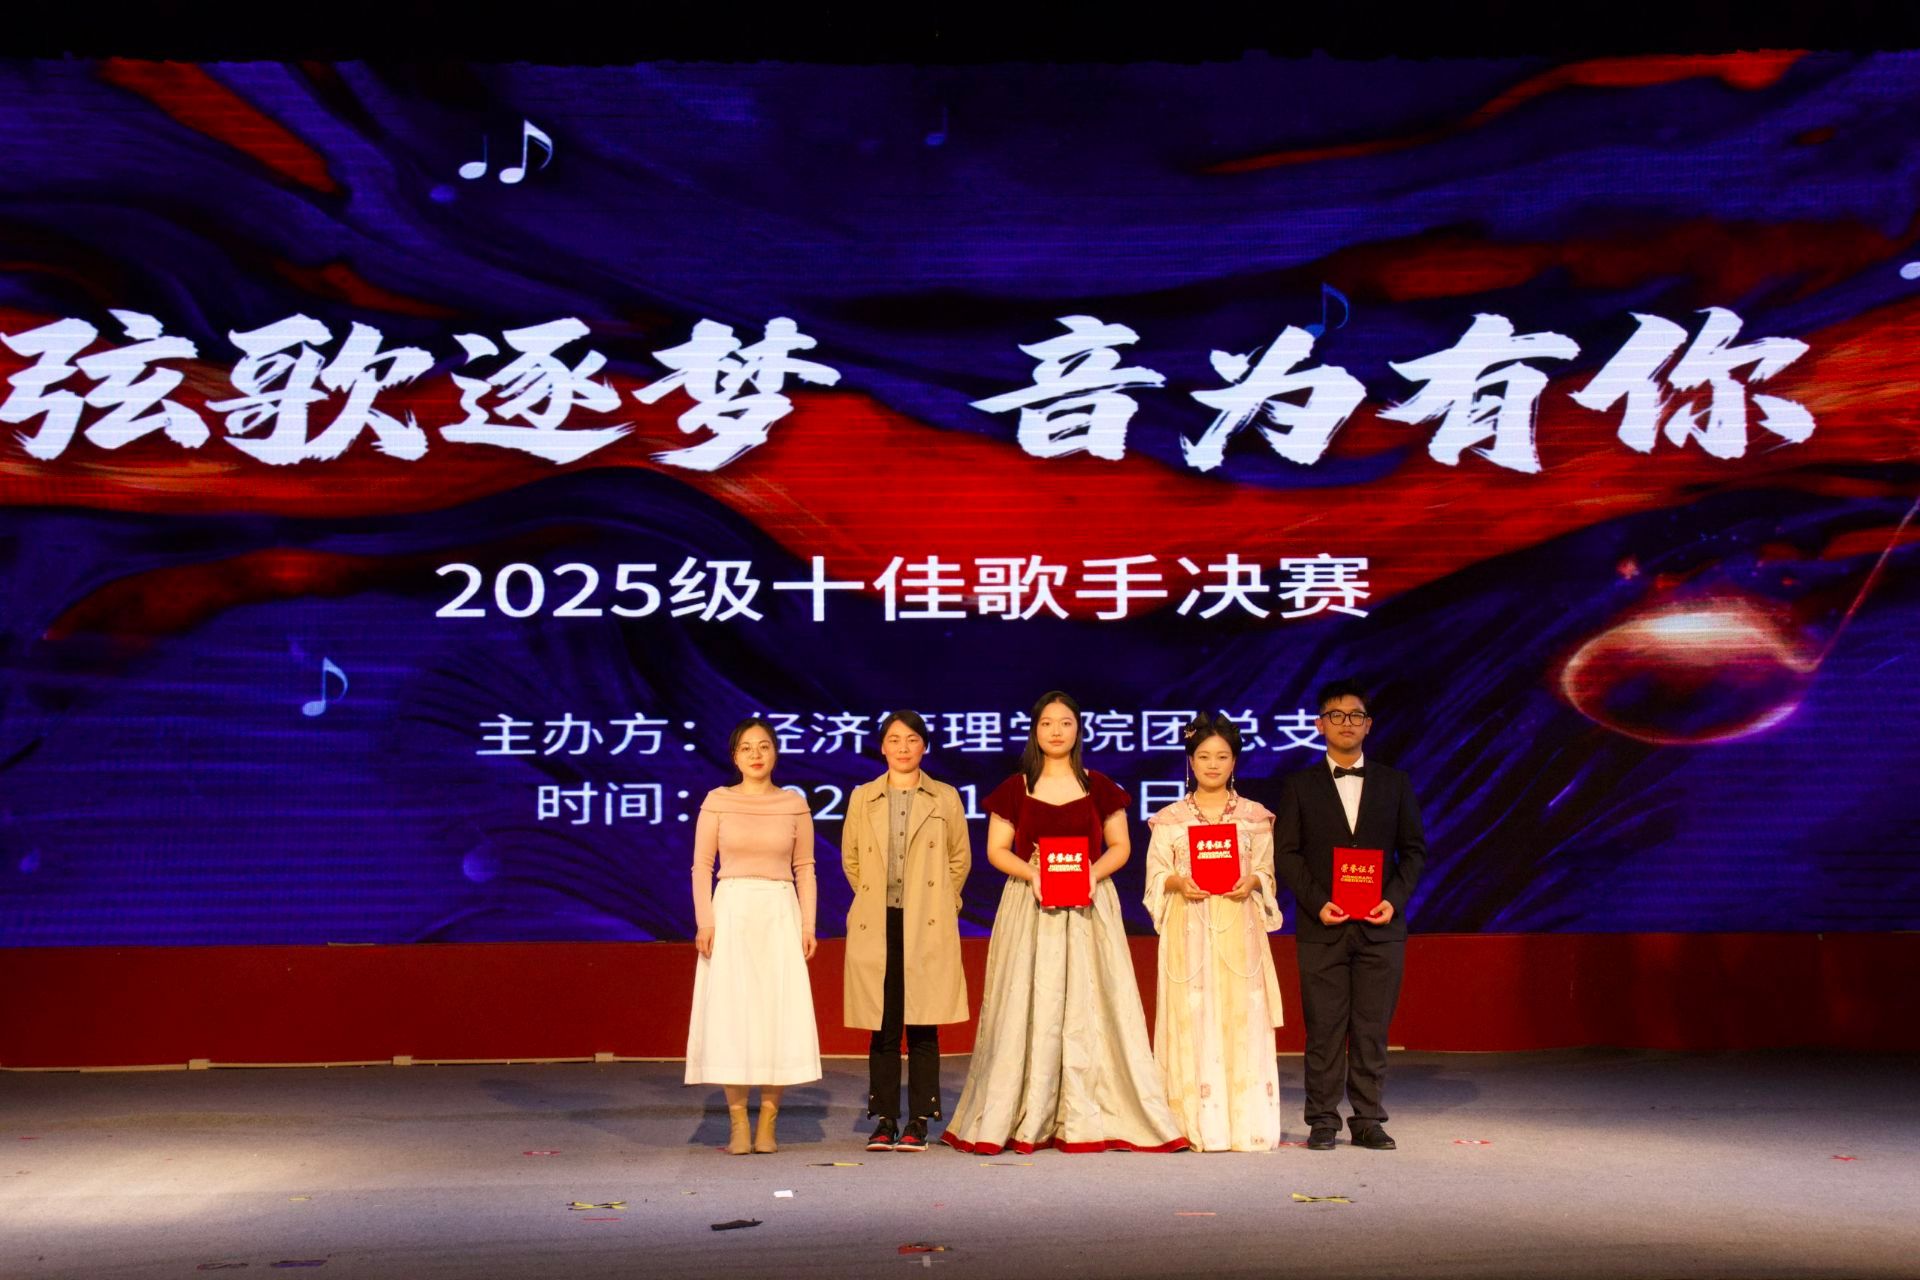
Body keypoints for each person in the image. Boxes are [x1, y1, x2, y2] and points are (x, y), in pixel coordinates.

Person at [941, 690, 1187, 1154]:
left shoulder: (1100, 786)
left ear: (1079, 730)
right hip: (1031, 905)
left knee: (1092, 1003)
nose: (1056, 731)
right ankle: (1026, 1110)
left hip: (1089, 904)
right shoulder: (1015, 788)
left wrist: (1091, 873)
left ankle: (1090, 1112)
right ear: (1035, 731)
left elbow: (1120, 847)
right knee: (1029, 1002)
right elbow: (996, 850)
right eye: (1047, 723)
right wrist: (1033, 873)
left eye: (1066, 723)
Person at [1260, 680, 1427, 1152]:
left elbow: (1414, 851)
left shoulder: (1395, 783)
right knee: (1324, 1028)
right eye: (1336, 715)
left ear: (1368, 725)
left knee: (1372, 1029)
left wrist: (1393, 899)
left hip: (1380, 927)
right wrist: (1318, 903)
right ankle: (1323, 1119)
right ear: (1319, 725)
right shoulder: (1299, 785)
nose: (1346, 723)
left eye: (1355, 715)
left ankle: (1369, 1119)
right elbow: (1287, 853)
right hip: (1323, 927)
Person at [1143, 712, 1286, 1151]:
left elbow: (1266, 871)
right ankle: (1193, 1124)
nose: (1212, 764)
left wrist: (1254, 880)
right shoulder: (1169, 819)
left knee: (1242, 1016)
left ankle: (1247, 1126)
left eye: (1222, 756)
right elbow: (1155, 875)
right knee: (1193, 1016)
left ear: (1234, 762)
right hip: (1189, 928)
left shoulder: (1254, 816)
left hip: (1238, 928)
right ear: (1190, 760)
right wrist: (1176, 882)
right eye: (1204, 756)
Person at [685, 716, 821, 1155]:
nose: (756, 755)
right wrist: (705, 921)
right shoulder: (718, 801)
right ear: (734, 756)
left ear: (775, 753)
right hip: (732, 911)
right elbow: (701, 867)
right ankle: (739, 1123)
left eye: (764, 746)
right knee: (734, 1014)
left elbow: (805, 868)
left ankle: (769, 1124)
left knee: (776, 1013)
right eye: (747, 748)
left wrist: (808, 924)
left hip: (779, 911)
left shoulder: (793, 804)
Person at [840, 710, 972, 1152]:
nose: (902, 747)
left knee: (922, 1023)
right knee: (883, 1024)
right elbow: (851, 859)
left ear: (924, 746)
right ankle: (884, 1119)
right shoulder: (863, 797)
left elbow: (959, 859)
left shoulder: (944, 797)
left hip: (926, 921)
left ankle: (919, 1119)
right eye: (894, 739)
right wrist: (870, 897)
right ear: (882, 747)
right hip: (879, 920)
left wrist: (942, 901)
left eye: (912, 739)